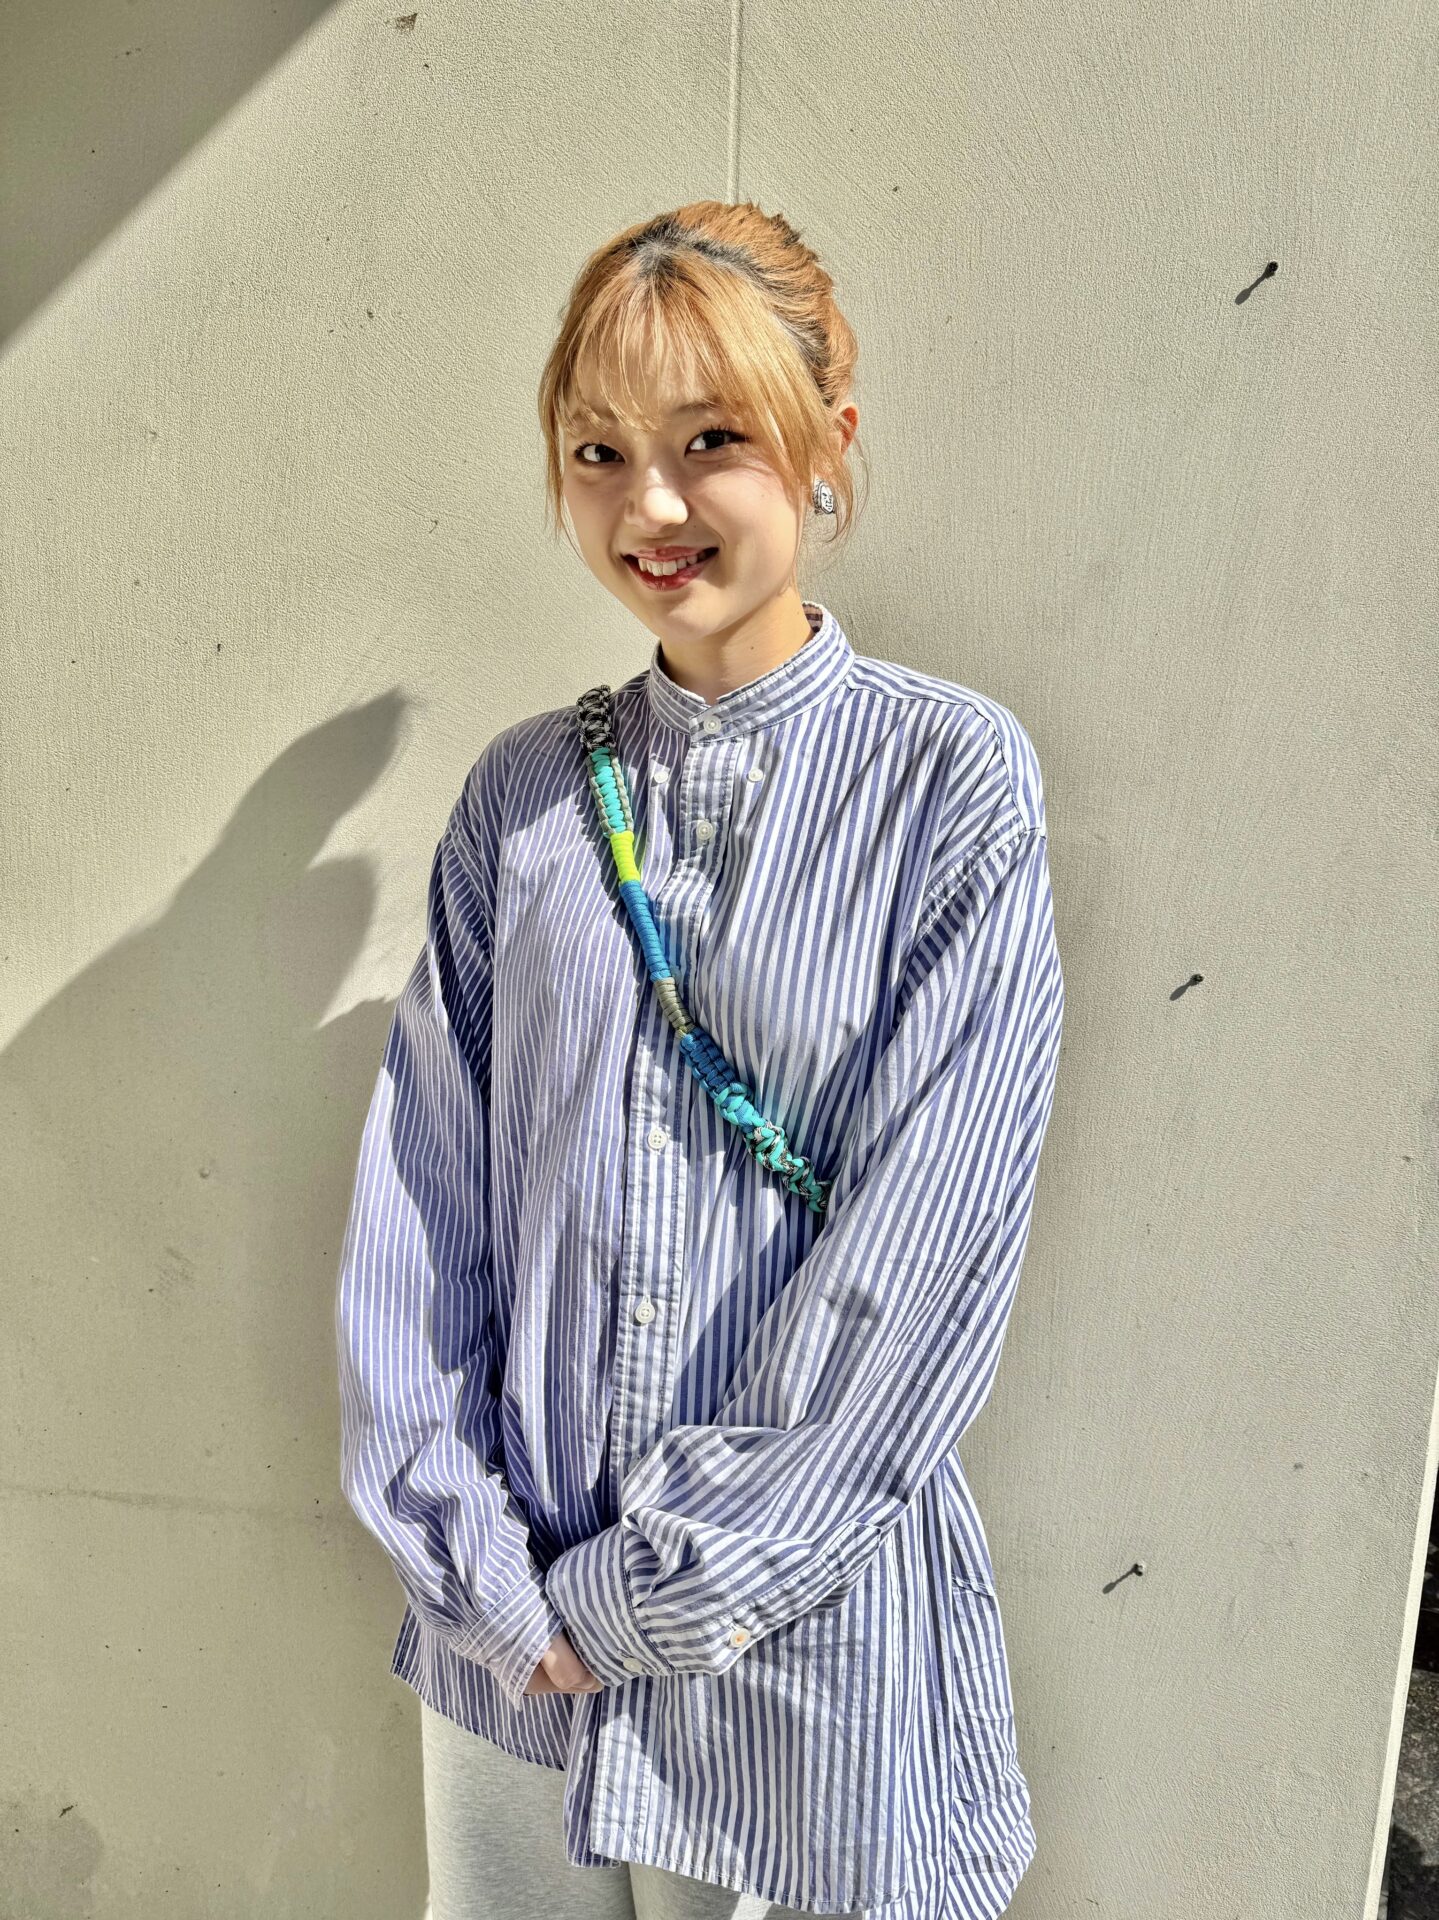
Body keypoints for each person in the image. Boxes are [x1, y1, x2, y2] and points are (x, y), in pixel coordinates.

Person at [335, 200, 1065, 1920]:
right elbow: (422, 1207)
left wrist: (638, 1599)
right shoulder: (525, 801)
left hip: (791, 1649)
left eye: (710, 441)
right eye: (600, 451)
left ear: (825, 443)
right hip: (516, 1657)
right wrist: (483, 1574)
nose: (649, 506)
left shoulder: (946, 784)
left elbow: (922, 1258)